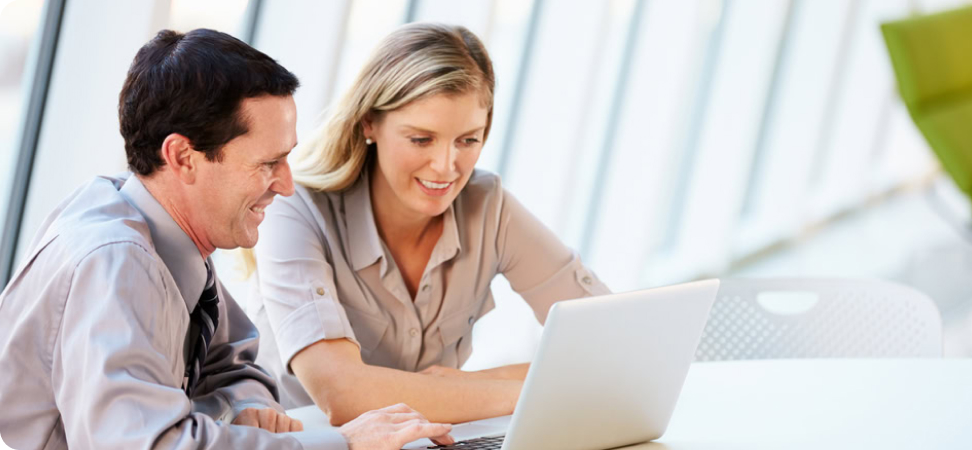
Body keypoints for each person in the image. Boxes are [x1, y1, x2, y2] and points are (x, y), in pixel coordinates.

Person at [0, 28, 453, 450]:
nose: (286, 185)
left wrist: (245, 406)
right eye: (267, 163)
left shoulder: (160, 230)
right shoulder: (115, 263)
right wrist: (341, 444)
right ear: (183, 157)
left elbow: (231, 361)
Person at [247, 23, 611, 426]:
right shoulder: (295, 209)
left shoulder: (488, 207)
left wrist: (466, 387)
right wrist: (526, 391)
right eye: (421, 139)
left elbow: (609, 340)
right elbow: (342, 394)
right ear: (369, 122)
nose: (446, 166)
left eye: (468, 140)